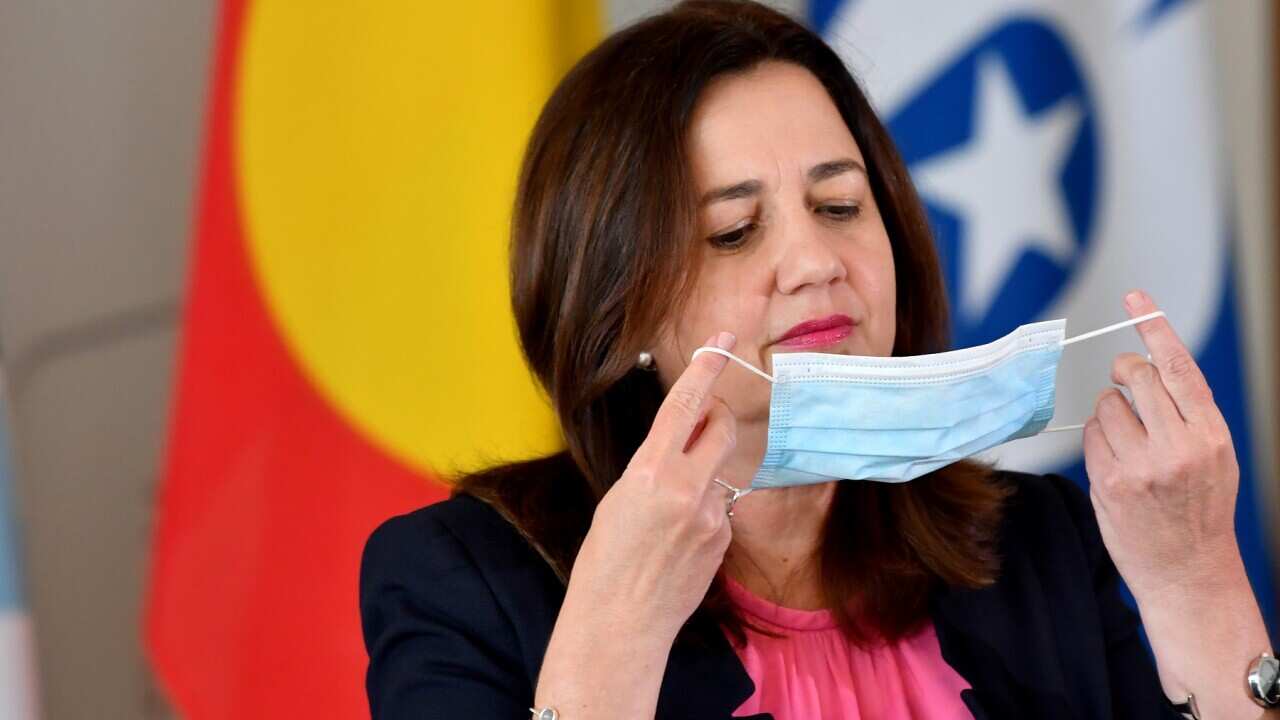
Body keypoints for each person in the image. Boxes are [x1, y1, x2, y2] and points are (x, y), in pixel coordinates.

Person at [359, 1, 1276, 718]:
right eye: (732, 231)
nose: (814, 263)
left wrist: (1199, 585)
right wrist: (612, 635)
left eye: (840, 207)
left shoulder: (1043, 543)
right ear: (612, 303)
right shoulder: (459, 580)